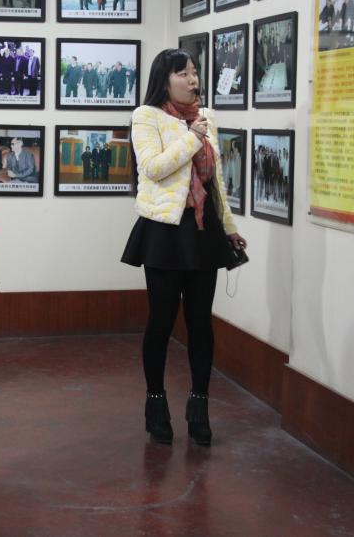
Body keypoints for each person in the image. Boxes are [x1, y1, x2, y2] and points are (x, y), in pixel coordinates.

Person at [121, 48, 247, 447]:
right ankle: (156, 402)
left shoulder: (206, 118)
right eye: (184, 73)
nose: (193, 80)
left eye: (194, 72)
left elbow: (215, 180)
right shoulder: (147, 116)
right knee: (161, 321)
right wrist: (192, 139)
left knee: (200, 323)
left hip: (203, 230)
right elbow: (153, 168)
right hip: (164, 231)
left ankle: (199, 404)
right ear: (165, 79)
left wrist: (229, 227)